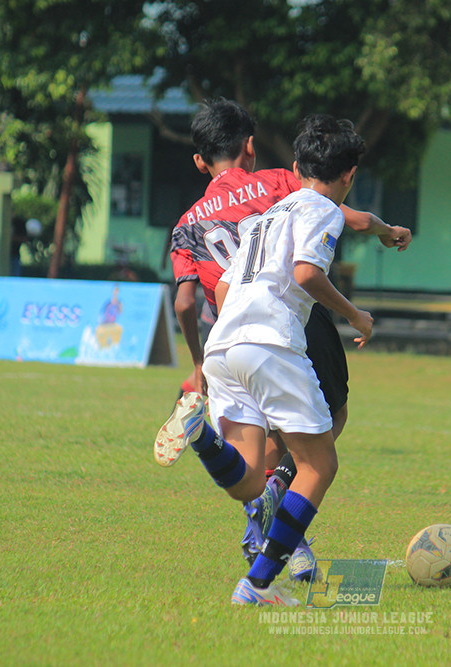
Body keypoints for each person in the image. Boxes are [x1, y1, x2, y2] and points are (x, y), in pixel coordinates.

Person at [154, 99, 410, 576]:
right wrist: (384, 230)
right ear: (250, 147)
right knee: (326, 428)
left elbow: (186, 303)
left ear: (198, 161)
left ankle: (264, 521)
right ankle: (284, 535)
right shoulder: (273, 183)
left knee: (258, 452)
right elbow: (331, 212)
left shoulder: (186, 224)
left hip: (228, 329)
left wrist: (196, 364)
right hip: (289, 317)